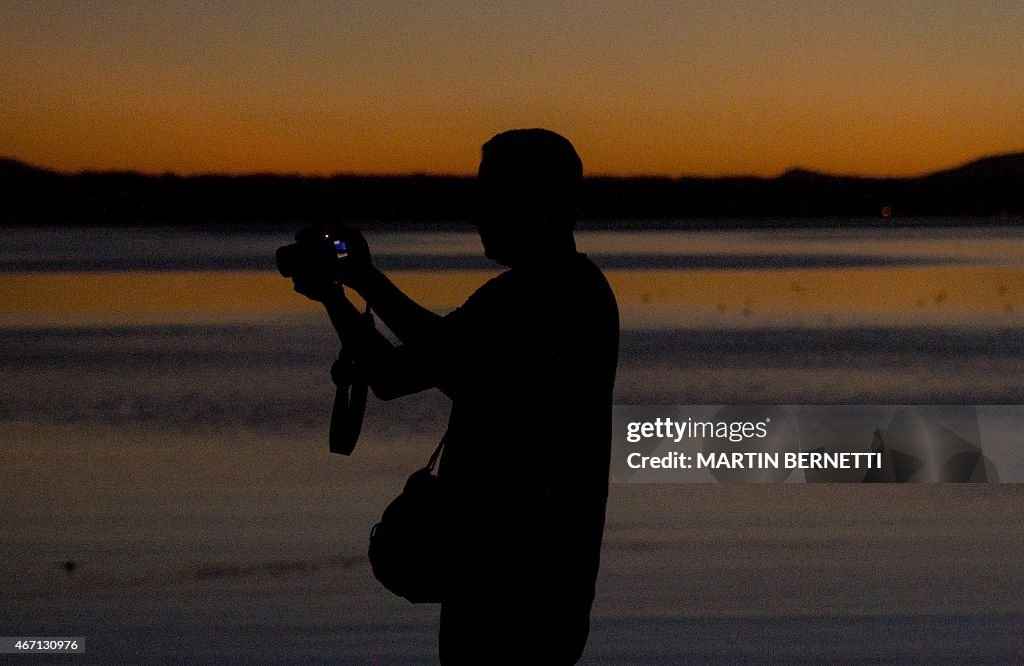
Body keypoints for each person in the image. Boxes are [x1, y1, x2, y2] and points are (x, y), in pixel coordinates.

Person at [293, 128, 619, 664]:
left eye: (491, 197)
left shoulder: (553, 296)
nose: (478, 213)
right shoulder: (553, 291)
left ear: (531, 201)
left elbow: (436, 356)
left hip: (523, 594)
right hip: (510, 584)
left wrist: (364, 279)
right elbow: (397, 373)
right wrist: (336, 295)